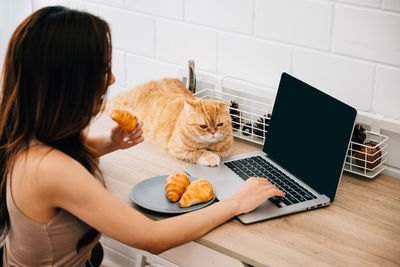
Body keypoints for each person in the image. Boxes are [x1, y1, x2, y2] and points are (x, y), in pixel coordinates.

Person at [0, 6, 285, 267]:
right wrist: (236, 202)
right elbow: (152, 238)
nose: (111, 79)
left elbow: (77, 148)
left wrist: (111, 143)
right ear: (68, 83)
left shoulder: (22, 130)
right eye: (103, 69)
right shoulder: (48, 170)